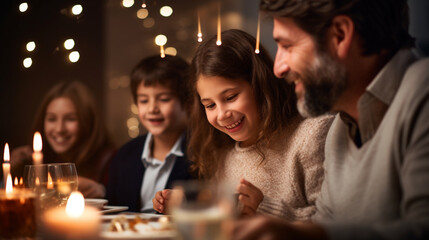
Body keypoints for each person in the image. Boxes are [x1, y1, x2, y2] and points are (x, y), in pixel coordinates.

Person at [233, 0, 429, 239]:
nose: (278, 68)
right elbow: (324, 222)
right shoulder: (339, 128)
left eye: (287, 45)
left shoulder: (422, 91)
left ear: (340, 35)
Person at [153, 29, 333, 219]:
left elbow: (333, 224)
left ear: (260, 85)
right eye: (210, 105)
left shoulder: (312, 136)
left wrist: (262, 208)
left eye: (231, 97)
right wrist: (190, 206)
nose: (222, 115)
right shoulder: (220, 152)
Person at [105, 55, 196, 213]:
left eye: (164, 99)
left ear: (188, 104)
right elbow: (112, 209)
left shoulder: (202, 154)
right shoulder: (124, 155)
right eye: (144, 101)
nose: (152, 108)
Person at [10, 81, 116, 198]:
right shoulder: (32, 160)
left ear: (88, 121)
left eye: (70, 119)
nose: (59, 129)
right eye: (52, 119)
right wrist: (14, 170)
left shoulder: (113, 161)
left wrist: (103, 191)